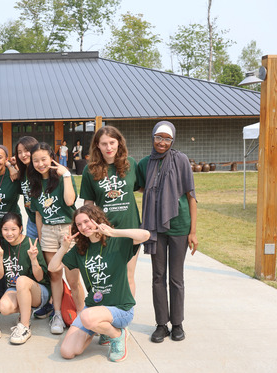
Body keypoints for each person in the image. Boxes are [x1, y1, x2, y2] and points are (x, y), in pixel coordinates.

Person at [48, 205, 150, 362]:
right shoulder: (81, 249)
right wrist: (63, 248)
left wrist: (112, 232)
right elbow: (53, 267)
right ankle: (103, 331)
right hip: (94, 308)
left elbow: (145, 235)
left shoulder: (116, 242)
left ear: (96, 220)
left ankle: (117, 334)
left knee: (87, 317)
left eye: (86, 221)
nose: (83, 227)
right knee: (67, 351)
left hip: (120, 309)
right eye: (79, 224)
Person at [136, 121, 198, 343]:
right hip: (155, 227)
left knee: (176, 277)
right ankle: (161, 324)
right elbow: (140, 185)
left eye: (167, 139)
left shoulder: (180, 160)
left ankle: (178, 323)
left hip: (179, 226)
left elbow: (191, 197)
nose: (162, 142)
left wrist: (193, 231)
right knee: (157, 276)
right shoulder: (144, 163)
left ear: (173, 140)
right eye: (158, 137)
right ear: (152, 137)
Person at [28, 142, 83, 335]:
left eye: (44, 159)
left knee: (73, 278)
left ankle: (82, 316)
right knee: (55, 275)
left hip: (68, 229)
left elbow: (70, 201)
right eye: (36, 160)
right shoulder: (33, 183)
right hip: (49, 231)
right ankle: (57, 314)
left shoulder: (63, 178)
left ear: (52, 157)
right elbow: (38, 214)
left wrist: (66, 174)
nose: (40, 163)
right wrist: (42, 236)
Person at [79, 126, 141, 299]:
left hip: (130, 229)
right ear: (97, 145)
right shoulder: (90, 170)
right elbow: (88, 204)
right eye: (104, 144)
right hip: (104, 231)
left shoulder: (130, 164)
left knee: (128, 276)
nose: (109, 148)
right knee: (107, 278)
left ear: (119, 142)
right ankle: (107, 314)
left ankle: (125, 318)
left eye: (112, 142)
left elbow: (143, 188)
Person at [0, 212, 51, 345]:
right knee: (4, 307)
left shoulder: (30, 244)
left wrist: (34, 259)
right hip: (15, 289)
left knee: (22, 280)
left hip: (38, 291)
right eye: (5, 229)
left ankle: (24, 326)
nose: (9, 233)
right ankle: (25, 312)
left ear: (21, 229)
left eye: (13, 229)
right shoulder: (1, 245)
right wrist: (0, 258)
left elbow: (40, 277)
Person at [14, 136, 39, 240]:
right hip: (32, 221)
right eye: (19, 152)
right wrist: (10, 165)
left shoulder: (40, 170)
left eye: (26, 150)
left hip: (46, 222)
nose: (23, 155)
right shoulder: (24, 172)